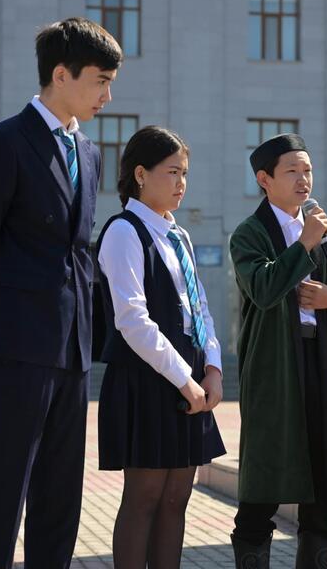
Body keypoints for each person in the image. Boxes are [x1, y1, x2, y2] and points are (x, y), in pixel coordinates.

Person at [0, 17, 122, 569]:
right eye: (100, 81)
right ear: (61, 74)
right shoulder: (3, 144)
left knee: (60, 494)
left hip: (72, 349)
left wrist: (90, 336)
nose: (107, 96)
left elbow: (79, 252)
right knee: (2, 489)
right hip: (15, 343)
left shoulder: (89, 153)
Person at [96, 125, 226, 569]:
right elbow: (132, 319)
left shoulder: (179, 236)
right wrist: (184, 380)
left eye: (184, 173)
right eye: (172, 172)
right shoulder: (123, 231)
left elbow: (200, 308)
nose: (181, 183)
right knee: (145, 497)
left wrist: (213, 369)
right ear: (140, 174)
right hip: (146, 378)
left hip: (190, 378)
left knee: (177, 497)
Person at [229, 134, 327, 568]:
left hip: (317, 358)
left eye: (308, 170)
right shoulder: (249, 233)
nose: (304, 180)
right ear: (265, 179)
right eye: (292, 171)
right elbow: (263, 289)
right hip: (272, 365)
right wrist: (304, 244)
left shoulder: (318, 224)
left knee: (321, 475)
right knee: (264, 473)